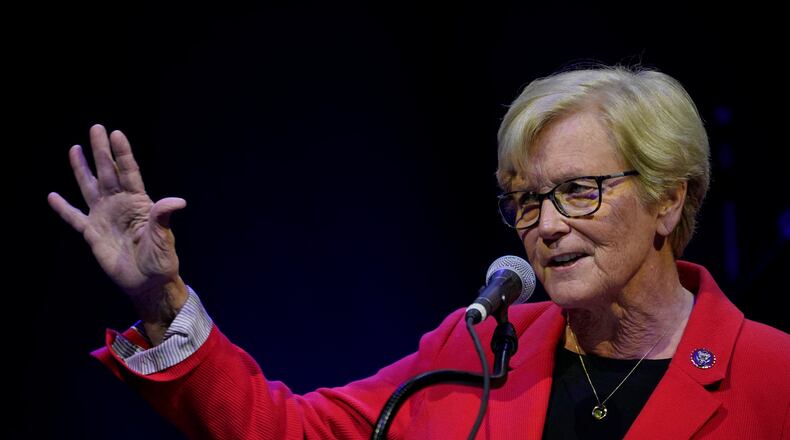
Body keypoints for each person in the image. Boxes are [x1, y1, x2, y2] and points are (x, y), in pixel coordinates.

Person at [48, 65, 789, 439]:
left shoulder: (772, 376)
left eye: (580, 190)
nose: (548, 225)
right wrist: (160, 299)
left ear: (667, 199)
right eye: (527, 200)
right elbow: (293, 433)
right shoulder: (478, 349)